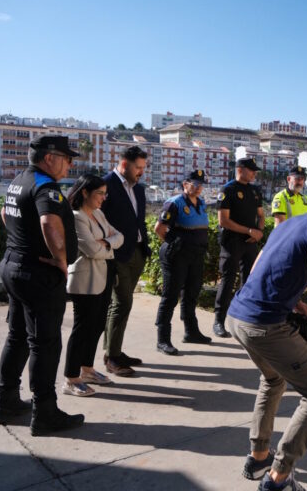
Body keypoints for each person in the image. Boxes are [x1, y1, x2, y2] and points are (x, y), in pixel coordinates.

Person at [226, 176, 307, 491]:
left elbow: (260, 269)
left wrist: (297, 304)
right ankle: (279, 477)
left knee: (273, 380)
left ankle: (258, 457)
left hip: (238, 316)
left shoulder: (288, 225)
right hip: (265, 326)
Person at [0, 135, 84, 435]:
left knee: (18, 336)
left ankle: (6, 398)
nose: (70, 164)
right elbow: (49, 223)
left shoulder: (18, 180)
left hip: (14, 265)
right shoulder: (46, 187)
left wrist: (21, 240)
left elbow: (5, 213)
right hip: (38, 274)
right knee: (45, 343)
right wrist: (61, 260)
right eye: (67, 157)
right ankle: (45, 411)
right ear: (50, 157)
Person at [62, 175, 124, 397]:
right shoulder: (77, 217)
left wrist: (106, 242)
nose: (103, 198)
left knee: (97, 325)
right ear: (85, 192)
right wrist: (109, 244)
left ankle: (87, 369)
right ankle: (71, 378)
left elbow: (120, 237)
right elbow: (90, 249)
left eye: (105, 193)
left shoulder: (98, 214)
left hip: (104, 276)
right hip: (85, 280)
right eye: (99, 193)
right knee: (82, 328)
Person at [101, 145, 151, 376]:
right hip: (117, 255)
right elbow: (95, 218)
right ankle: (112, 357)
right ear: (124, 164)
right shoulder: (105, 185)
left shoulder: (138, 190)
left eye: (143, 167)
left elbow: (138, 220)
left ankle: (115, 350)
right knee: (121, 303)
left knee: (123, 304)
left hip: (137, 253)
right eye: (138, 167)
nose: (142, 172)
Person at [153, 170, 212, 355]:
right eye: (194, 183)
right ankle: (162, 340)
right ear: (185, 184)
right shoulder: (174, 203)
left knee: (191, 293)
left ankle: (191, 332)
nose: (198, 187)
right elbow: (159, 229)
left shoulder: (201, 202)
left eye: (201, 184)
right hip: (177, 256)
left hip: (196, 256)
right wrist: (175, 244)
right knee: (170, 297)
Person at [213, 157, 265, 337]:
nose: (254, 173)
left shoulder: (254, 191)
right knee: (227, 281)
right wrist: (249, 230)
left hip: (250, 243)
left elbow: (261, 214)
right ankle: (219, 321)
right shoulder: (228, 190)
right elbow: (223, 221)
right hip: (232, 242)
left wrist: (258, 231)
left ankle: (243, 319)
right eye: (251, 170)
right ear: (240, 169)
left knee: (249, 281)